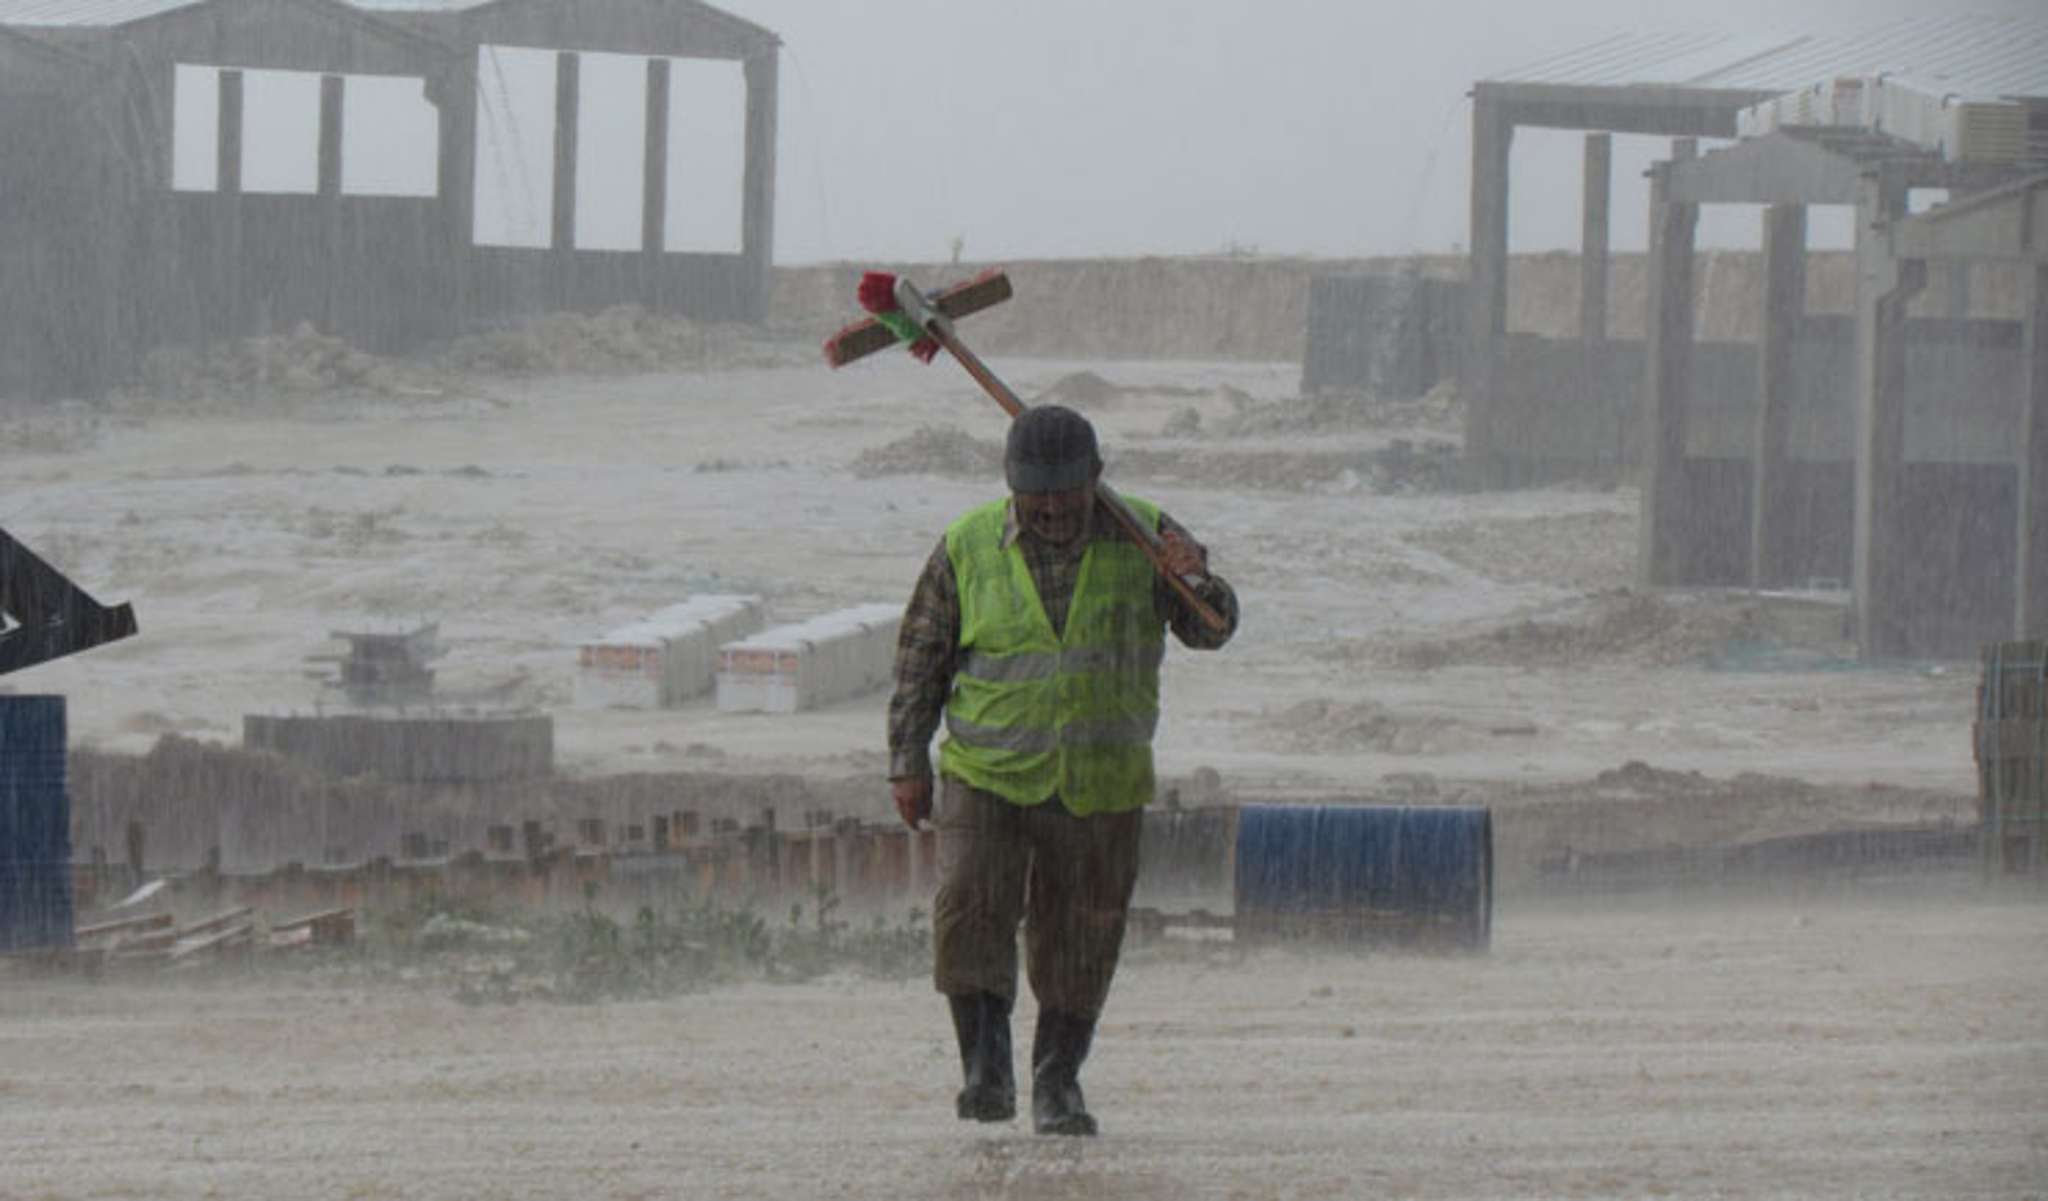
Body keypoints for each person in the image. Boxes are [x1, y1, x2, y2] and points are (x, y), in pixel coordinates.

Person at [886, 403, 1239, 1136]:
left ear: (1095, 479)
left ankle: (1057, 1083)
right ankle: (986, 1069)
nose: (1049, 507)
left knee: (1082, 932)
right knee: (970, 909)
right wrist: (906, 759)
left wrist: (1198, 580)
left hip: (1101, 781)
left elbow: (1215, 631)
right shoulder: (968, 544)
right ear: (1011, 483)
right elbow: (922, 656)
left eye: (1064, 491)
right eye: (1033, 492)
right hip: (988, 772)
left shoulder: (1148, 535)